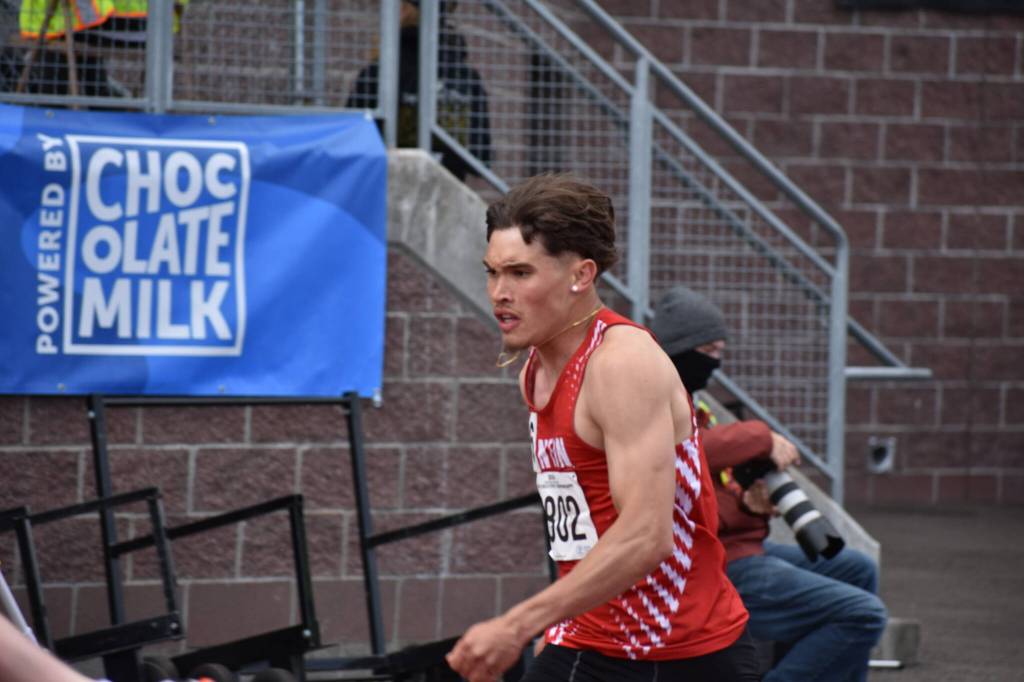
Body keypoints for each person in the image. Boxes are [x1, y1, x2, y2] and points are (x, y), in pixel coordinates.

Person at [446, 174, 759, 682]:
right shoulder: (535, 368)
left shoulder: (621, 363)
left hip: (678, 654)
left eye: (521, 273)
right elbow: (582, 520)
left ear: (581, 274)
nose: (499, 293)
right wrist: (558, 621)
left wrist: (519, 623)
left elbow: (646, 536)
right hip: (593, 639)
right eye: (493, 273)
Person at [650, 285, 888, 682]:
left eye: (720, 350)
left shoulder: (695, 403)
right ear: (678, 349)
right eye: (708, 350)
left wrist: (748, 504)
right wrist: (761, 437)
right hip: (714, 563)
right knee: (864, 614)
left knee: (858, 569)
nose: (716, 362)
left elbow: (706, 487)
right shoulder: (655, 403)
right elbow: (684, 453)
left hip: (743, 546)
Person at [346, 0, 492, 182]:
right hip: (447, 185)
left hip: (387, 183)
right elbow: (481, 156)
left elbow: (353, 138)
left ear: (403, 11)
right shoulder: (467, 77)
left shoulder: (381, 72)